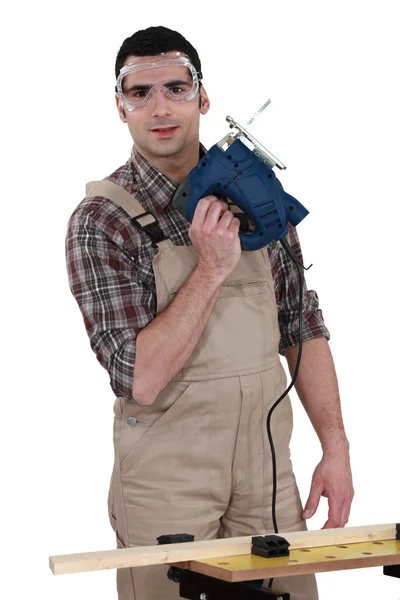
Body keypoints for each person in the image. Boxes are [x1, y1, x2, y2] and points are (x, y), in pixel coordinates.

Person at [66, 25, 354, 600]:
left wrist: (336, 446)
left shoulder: (258, 197)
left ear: (203, 97)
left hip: (268, 470)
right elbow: (139, 378)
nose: (160, 107)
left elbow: (301, 324)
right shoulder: (103, 220)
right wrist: (212, 268)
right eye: (139, 92)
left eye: (176, 87)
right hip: (166, 483)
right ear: (119, 108)